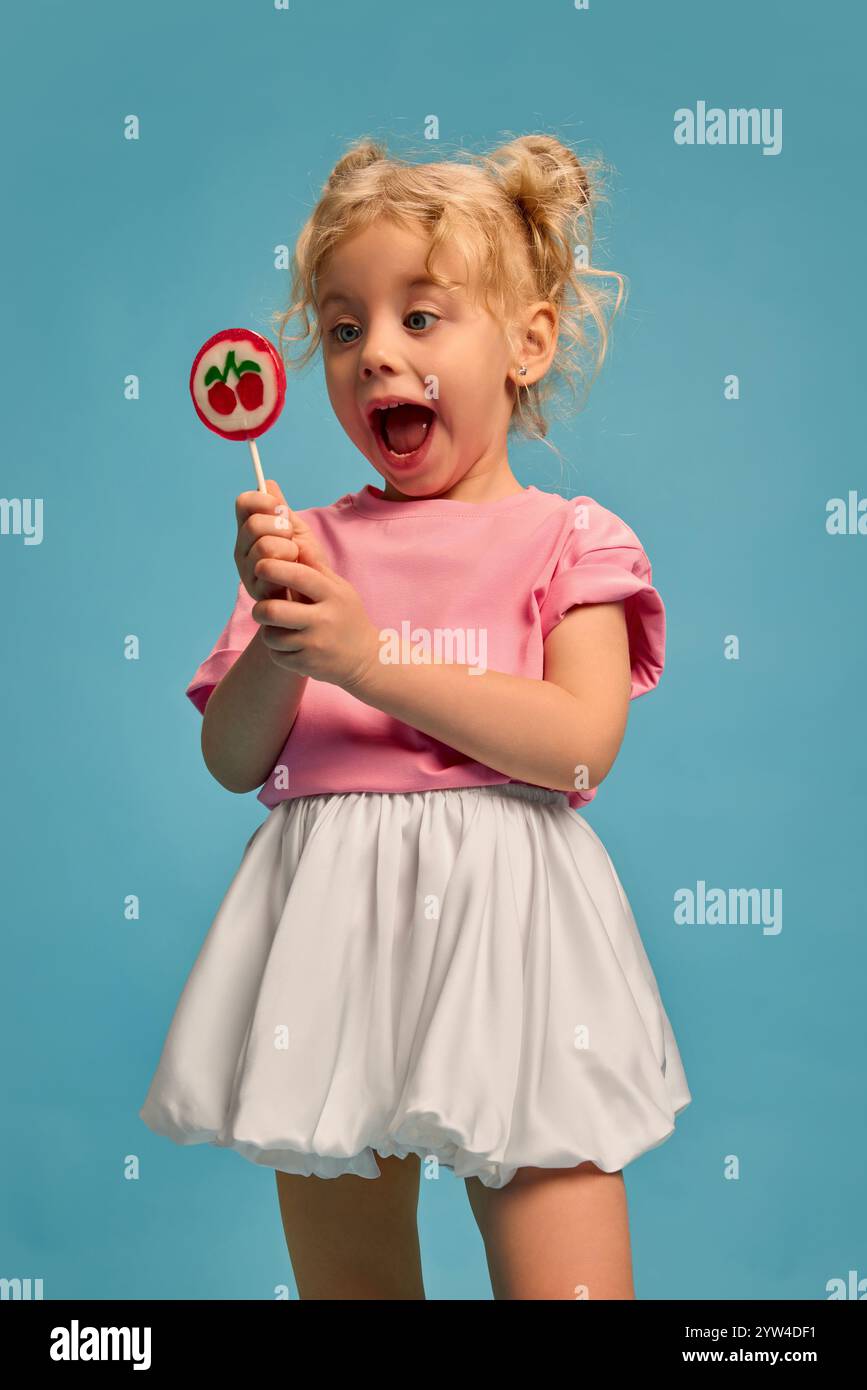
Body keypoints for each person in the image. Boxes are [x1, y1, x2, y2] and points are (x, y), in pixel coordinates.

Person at [139, 132, 691, 1300]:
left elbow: (580, 741)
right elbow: (234, 759)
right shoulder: (312, 549)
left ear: (528, 342)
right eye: (345, 329)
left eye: (421, 317)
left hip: (521, 942)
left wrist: (370, 658)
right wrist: (283, 633)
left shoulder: (570, 540)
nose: (375, 353)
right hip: (328, 946)